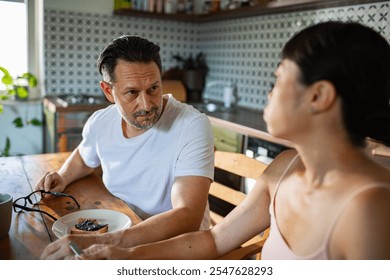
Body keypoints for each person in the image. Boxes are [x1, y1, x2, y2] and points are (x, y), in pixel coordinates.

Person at [42, 21, 390, 260]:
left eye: (280, 76)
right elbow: (212, 240)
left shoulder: (369, 209)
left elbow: (192, 221)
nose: (269, 90)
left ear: (319, 97)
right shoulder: (283, 169)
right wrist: (122, 257)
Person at [38, 35, 215, 259]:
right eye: (132, 92)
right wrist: (63, 176)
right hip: (122, 230)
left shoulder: (191, 126)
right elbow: (84, 157)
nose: (147, 104)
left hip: (175, 247)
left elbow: (188, 216)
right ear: (108, 91)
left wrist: (106, 241)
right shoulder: (101, 121)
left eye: (153, 88)